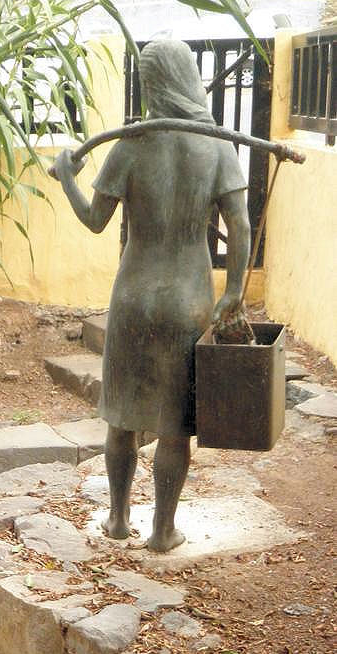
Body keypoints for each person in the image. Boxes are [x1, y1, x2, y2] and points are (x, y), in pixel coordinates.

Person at [52, 39, 251, 551]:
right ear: (189, 78)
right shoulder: (216, 146)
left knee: (122, 417)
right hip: (188, 301)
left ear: (152, 84)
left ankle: (118, 519)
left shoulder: (131, 144)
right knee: (173, 425)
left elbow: (94, 219)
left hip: (132, 298)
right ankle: (163, 530)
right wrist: (233, 291)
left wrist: (68, 178)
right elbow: (240, 224)